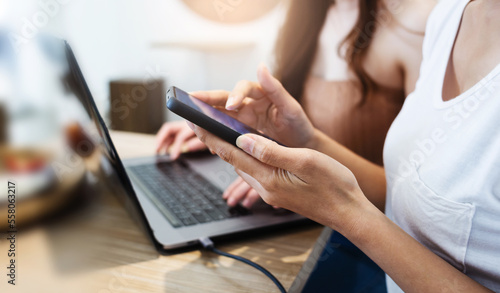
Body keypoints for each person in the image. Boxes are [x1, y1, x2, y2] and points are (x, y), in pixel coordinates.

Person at [187, 0, 500, 291]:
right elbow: (407, 192)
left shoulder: (415, 20)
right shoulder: (451, 14)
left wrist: (346, 212)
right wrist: (304, 139)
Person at [156, 0, 435, 209]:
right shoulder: (304, 14)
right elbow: (292, 126)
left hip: (362, 231)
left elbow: (412, 196)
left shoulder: (417, 20)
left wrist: (292, 176)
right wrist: (228, 127)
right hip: (303, 212)